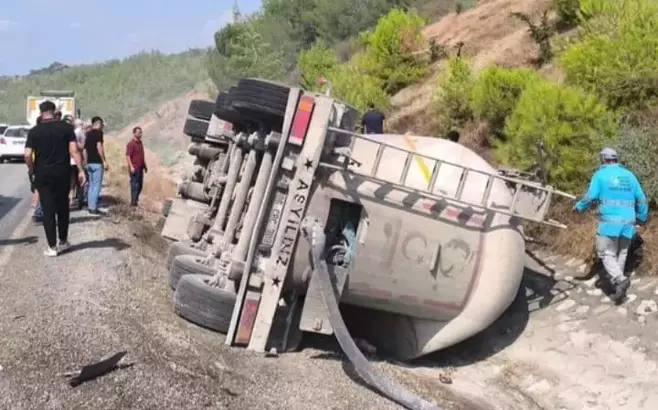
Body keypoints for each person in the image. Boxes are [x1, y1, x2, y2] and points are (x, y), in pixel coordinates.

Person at [574, 148, 649, 303]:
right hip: (628, 222)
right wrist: (642, 218)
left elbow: (590, 197)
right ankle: (618, 289)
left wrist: (579, 207)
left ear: (603, 159)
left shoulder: (600, 175)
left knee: (606, 253)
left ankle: (620, 280)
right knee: (621, 253)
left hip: (609, 223)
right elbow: (641, 199)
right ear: (616, 159)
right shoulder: (629, 176)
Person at [24, 101, 86, 256]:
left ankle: (52, 247)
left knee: (48, 209)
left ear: (41, 113)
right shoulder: (66, 128)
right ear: (54, 111)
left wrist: (31, 169)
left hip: (43, 174)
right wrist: (80, 170)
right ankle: (63, 241)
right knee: (63, 206)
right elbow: (74, 151)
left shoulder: (34, 131)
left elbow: (26, 155)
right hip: (62, 173)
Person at [84, 116, 108, 214]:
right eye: (102, 125)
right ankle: (93, 207)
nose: (102, 127)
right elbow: (99, 147)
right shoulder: (99, 133)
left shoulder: (88, 134)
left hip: (89, 162)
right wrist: (104, 160)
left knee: (91, 185)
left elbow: (85, 150)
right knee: (97, 185)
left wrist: (85, 162)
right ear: (98, 123)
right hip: (97, 162)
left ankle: (90, 206)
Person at [125, 126, 147, 207]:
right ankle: (133, 203)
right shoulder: (131, 144)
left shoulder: (140, 143)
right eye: (138, 132)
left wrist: (145, 166)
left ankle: (135, 200)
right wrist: (131, 167)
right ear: (134, 133)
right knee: (135, 185)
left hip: (140, 168)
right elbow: (127, 156)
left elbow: (141, 155)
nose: (140, 134)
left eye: (141, 132)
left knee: (140, 185)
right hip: (134, 168)